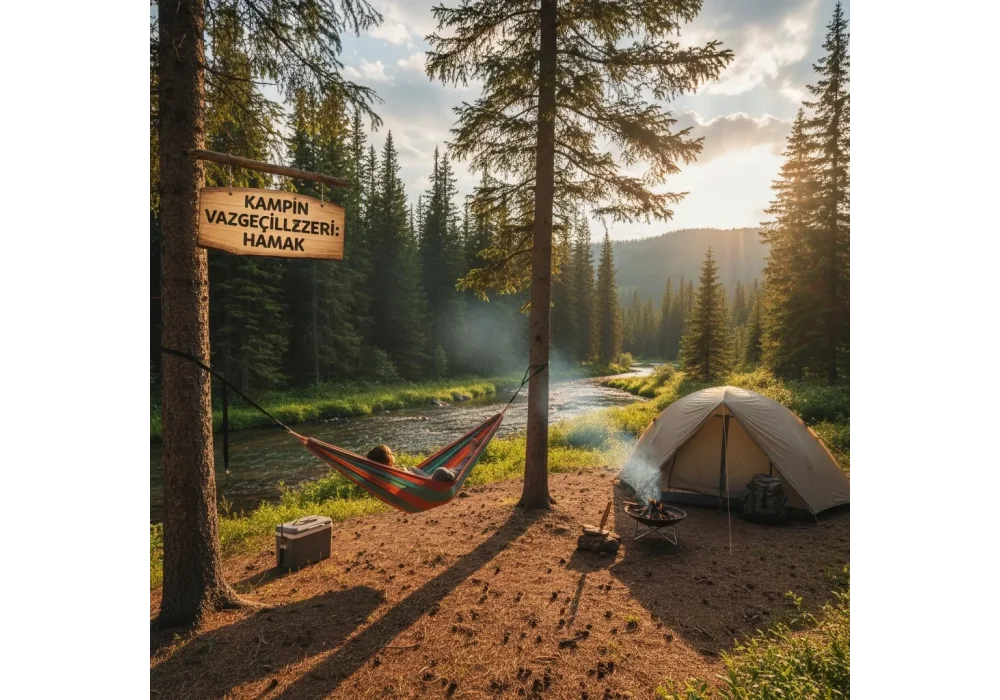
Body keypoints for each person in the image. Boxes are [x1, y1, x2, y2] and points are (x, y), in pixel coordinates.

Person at [366, 443, 458, 482]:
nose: (394, 454)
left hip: (428, 478)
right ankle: (468, 458)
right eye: (391, 454)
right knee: (441, 471)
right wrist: (404, 471)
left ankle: (459, 467)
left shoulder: (389, 474)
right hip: (428, 484)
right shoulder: (392, 475)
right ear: (384, 460)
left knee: (442, 471)